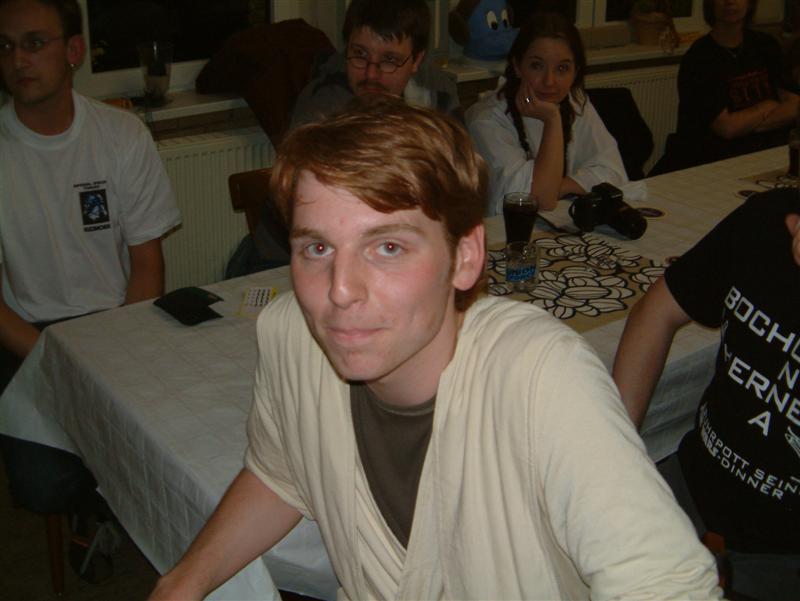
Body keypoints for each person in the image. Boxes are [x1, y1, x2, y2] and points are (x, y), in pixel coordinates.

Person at [149, 96, 721, 601]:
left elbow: (665, 583)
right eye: (317, 248)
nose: (340, 291)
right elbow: (280, 471)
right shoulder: (291, 337)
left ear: (465, 257)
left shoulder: (539, 377)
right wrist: (184, 582)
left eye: (388, 247)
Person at [0, 0, 180, 578]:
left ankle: (113, 503)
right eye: (5, 46)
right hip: (29, 335)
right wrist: (58, 358)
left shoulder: (121, 135)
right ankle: (98, 505)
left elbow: (147, 264)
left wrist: (120, 348)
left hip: (119, 320)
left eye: (34, 43)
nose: (18, 60)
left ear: (73, 51)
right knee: (42, 486)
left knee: (179, 442)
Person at [612, 188, 800, 600]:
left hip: (783, 559)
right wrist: (615, 459)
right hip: (687, 490)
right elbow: (658, 311)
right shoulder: (768, 217)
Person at [466, 12, 627, 215]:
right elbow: (540, 200)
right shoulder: (487, 120)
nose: (549, 81)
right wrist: (552, 119)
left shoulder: (575, 102)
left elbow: (614, 172)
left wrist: (559, 186)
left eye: (562, 68)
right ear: (517, 67)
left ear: (576, 71)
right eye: (537, 66)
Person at [652, 0, 800, 175]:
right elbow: (727, 128)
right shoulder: (700, 58)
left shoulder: (765, 45)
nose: (730, 2)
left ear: (749, 4)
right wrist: (767, 106)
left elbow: (794, 105)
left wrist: (747, 124)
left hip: (766, 154)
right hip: (712, 160)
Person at [289, 0, 461, 129]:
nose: (371, 74)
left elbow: (460, 164)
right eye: (360, 54)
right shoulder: (321, 109)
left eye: (389, 60)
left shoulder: (439, 95)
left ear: (416, 60)